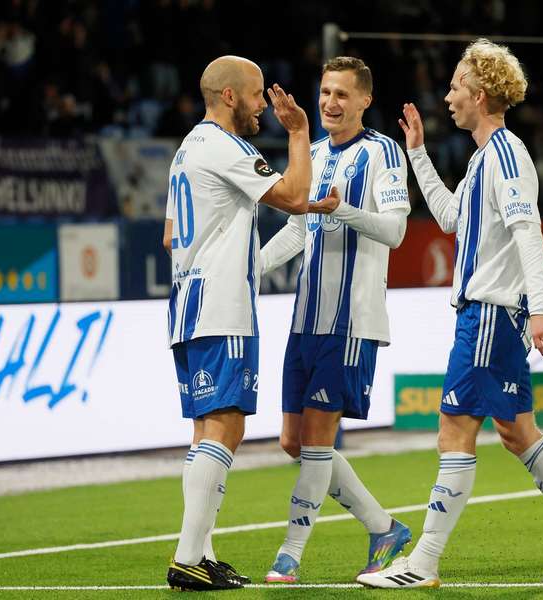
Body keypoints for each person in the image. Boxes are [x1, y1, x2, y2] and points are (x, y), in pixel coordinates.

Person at [358, 39, 543, 589]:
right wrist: (418, 154)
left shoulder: (505, 156)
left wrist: (541, 311)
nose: (448, 96)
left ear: (478, 94)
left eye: (456, 86)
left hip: (490, 317)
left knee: (453, 431)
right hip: (490, 316)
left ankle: (423, 562)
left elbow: (529, 234)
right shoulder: (484, 158)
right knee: (519, 432)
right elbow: (451, 218)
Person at [259, 56, 412, 584]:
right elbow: (297, 230)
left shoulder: (383, 152)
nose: (330, 102)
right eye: (325, 92)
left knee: (318, 440)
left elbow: (395, 231)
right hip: (306, 319)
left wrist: (339, 211)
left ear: (365, 100)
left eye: (342, 94)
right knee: (293, 441)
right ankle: (384, 528)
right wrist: (251, 268)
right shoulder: (315, 153)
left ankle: (290, 555)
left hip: (350, 321)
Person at [162, 55, 311, 591]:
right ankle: (187, 557)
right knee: (227, 425)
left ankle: (201, 554)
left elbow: (169, 235)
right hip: (223, 305)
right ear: (229, 96)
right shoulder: (228, 147)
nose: (262, 107)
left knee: (206, 430)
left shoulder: (187, 149)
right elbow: (293, 197)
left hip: (186, 303)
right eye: (255, 95)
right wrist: (300, 134)